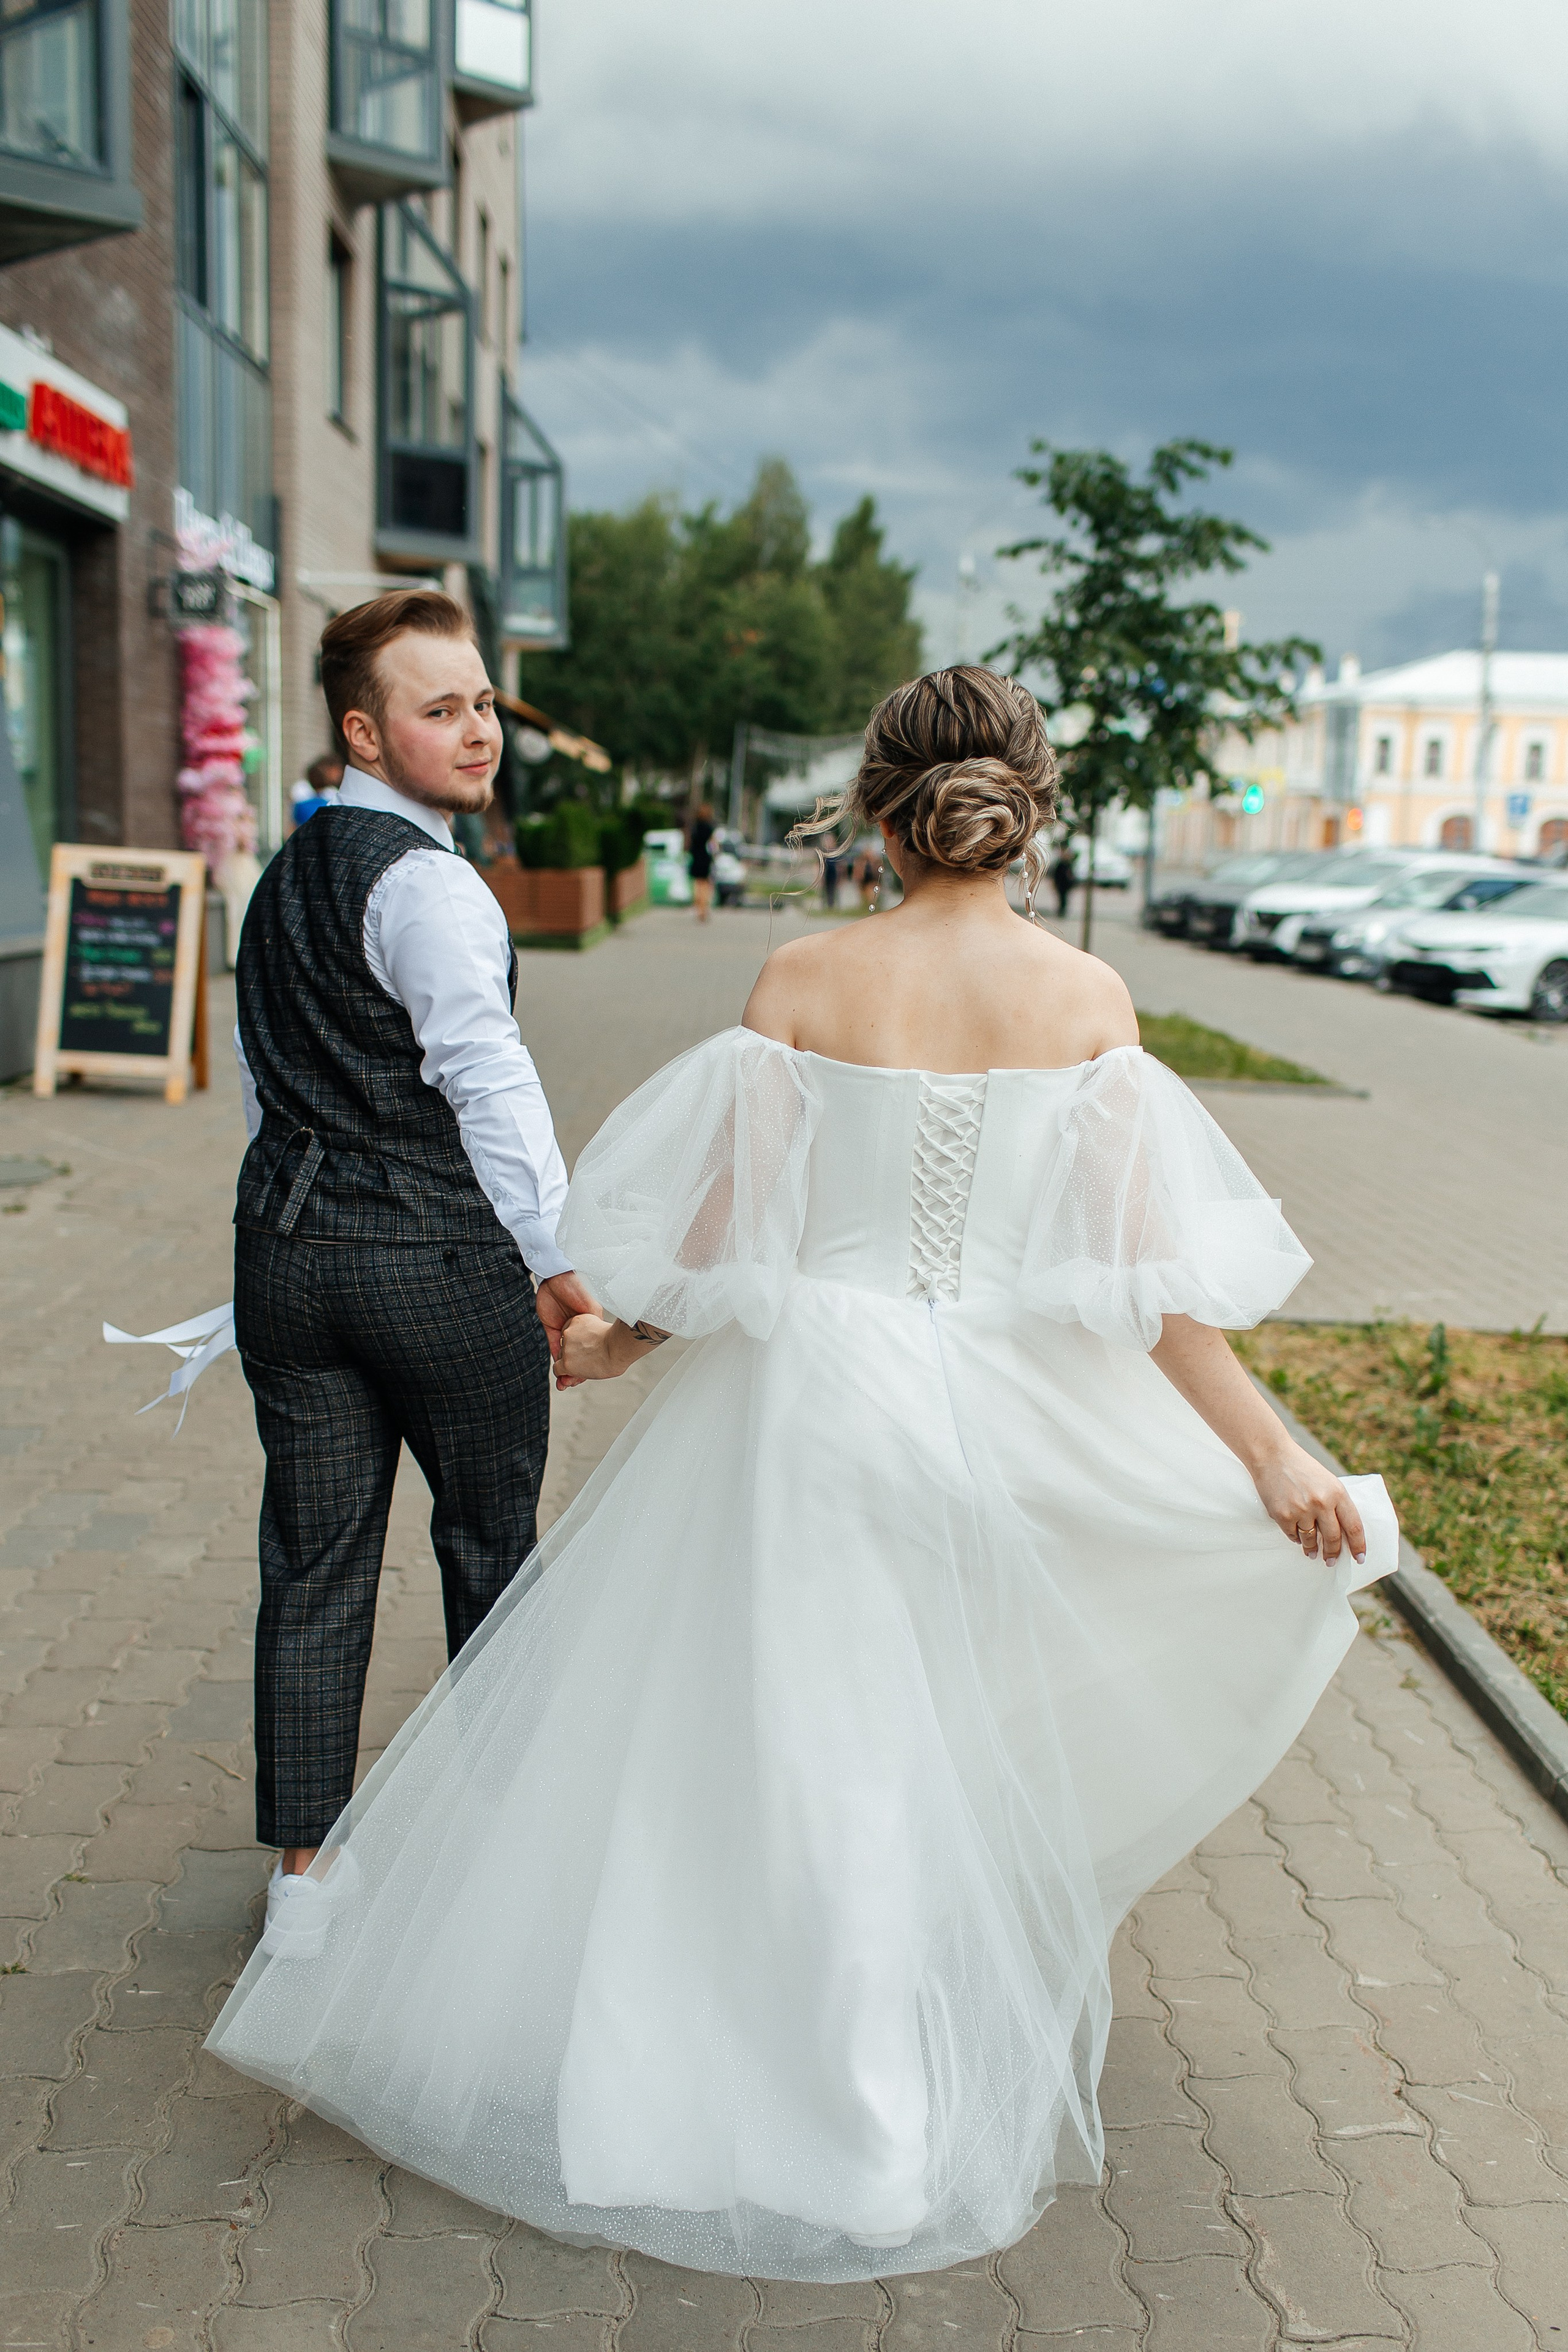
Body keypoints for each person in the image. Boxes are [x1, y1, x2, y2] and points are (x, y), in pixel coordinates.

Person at [207, 666, 1396, 2286]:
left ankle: (713, 2098)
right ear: (1027, 809)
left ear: (878, 811)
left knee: (794, 1754)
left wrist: (621, 1340)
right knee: (931, 1760)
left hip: (815, 1414)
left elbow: (728, 1247)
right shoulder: (1088, 1007)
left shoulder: (801, 976)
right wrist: (1274, 1462)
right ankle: (881, 2122)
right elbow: (1150, 1298)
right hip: (1003, 1426)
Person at [227, 587, 596, 1948]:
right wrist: (559, 1263)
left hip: (289, 1260)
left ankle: (303, 1892)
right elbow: (487, 1081)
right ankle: (515, 1866)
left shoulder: (282, 875)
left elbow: (271, 1088)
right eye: (440, 709)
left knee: (314, 1564)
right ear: (364, 735)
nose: (479, 730)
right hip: (436, 1269)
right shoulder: (432, 884)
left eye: (484, 701)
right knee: (490, 1550)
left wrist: (263, 1243)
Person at [688, 800, 716, 922]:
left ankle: (698, 906)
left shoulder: (694, 827)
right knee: (705, 884)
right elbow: (713, 844)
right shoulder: (710, 828)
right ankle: (703, 908)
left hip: (695, 856)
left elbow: (690, 842)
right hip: (705, 857)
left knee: (697, 883)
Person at [1049, 840, 1076, 917]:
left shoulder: (1066, 862)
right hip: (1061, 882)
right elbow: (1056, 873)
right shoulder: (1061, 862)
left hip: (1065, 882)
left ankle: (1062, 910)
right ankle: (1061, 910)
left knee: (1064, 897)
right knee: (1061, 897)